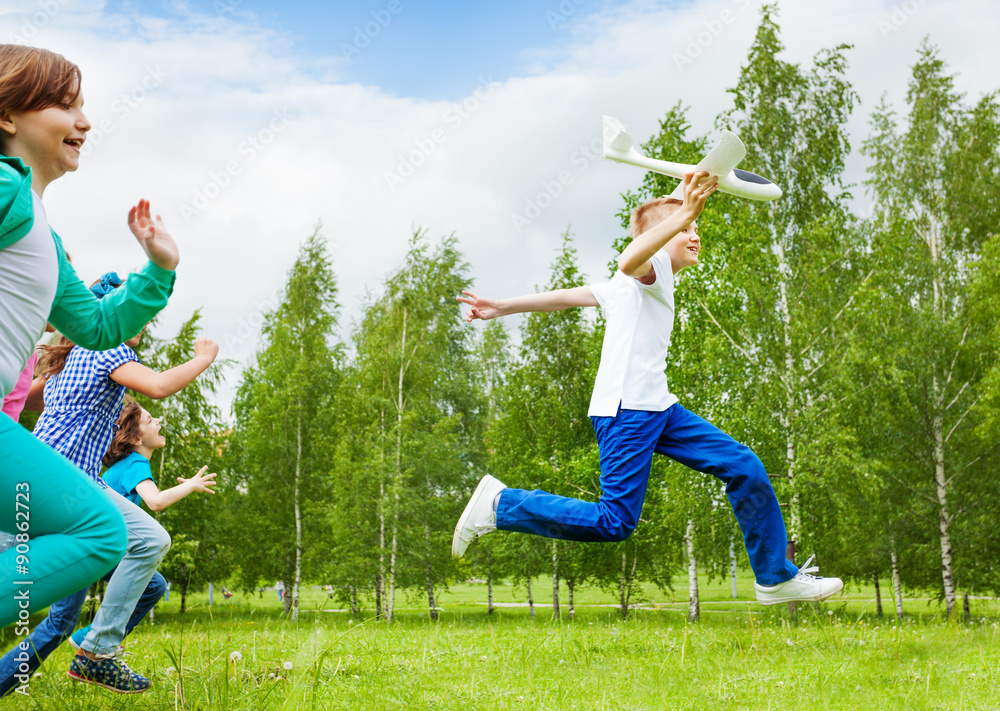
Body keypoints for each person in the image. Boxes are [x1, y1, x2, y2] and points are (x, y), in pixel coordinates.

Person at [452, 171, 843, 606]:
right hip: (627, 412)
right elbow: (629, 260)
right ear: (660, 237)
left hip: (657, 407)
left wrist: (502, 306)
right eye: (686, 230)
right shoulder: (649, 271)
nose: (694, 235)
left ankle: (773, 577)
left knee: (744, 466)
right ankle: (501, 504)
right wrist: (682, 214)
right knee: (614, 521)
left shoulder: (627, 286)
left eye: (695, 228)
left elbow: (567, 296)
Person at [0, 44, 177, 639]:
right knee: (101, 532)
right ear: (8, 117)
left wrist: (157, 270)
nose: (85, 121)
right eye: (64, 104)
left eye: (84, 106)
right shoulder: (4, 185)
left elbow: (96, 327)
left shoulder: (41, 231)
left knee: (99, 531)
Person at [0, 277, 218, 695]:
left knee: (140, 568)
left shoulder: (71, 358)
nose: (142, 325)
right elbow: (158, 386)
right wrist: (203, 359)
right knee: (151, 540)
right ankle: (98, 652)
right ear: (105, 317)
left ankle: (95, 649)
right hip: (67, 483)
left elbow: (27, 399)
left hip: (37, 477)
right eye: (133, 314)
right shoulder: (107, 350)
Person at [64, 400, 218, 651]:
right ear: (135, 438)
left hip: (86, 544)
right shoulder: (135, 463)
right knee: (154, 585)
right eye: (150, 420)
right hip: (89, 546)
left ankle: (91, 639)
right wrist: (189, 485)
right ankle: (95, 640)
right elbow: (155, 501)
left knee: (153, 585)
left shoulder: (126, 465)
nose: (158, 421)